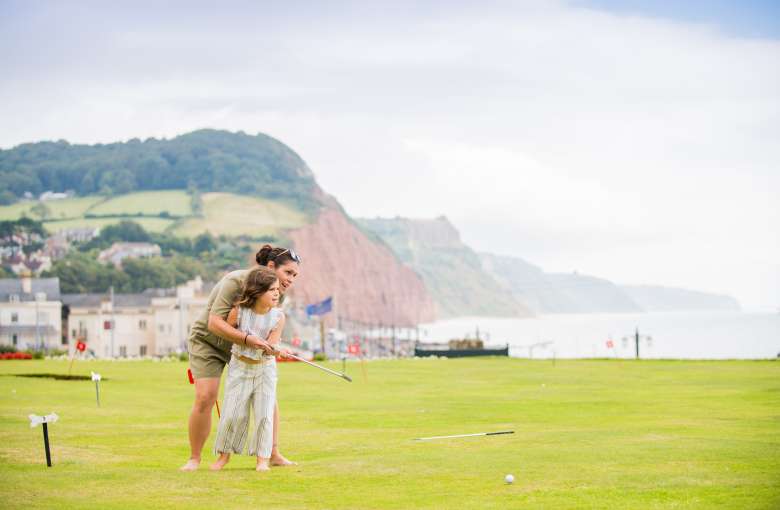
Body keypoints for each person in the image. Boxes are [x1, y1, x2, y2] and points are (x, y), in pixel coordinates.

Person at [180, 245, 301, 472]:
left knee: (268, 397)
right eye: (288, 273)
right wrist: (247, 339)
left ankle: (272, 453)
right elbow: (215, 323)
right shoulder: (235, 282)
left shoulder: (277, 295)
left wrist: (274, 348)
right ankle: (194, 459)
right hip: (210, 342)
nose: (291, 280)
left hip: (246, 351)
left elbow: (271, 327)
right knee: (206, 396)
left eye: (295, 275)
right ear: (271, 266)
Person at [210, 266, 285, 472]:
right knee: (232, 414)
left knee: (264, 415)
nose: (277, 293)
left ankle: (262, 459)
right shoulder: (238, 312)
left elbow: (271, 345)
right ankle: (223, 457)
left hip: (265, 371)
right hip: (240, 368)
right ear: (257, 291)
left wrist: (275, 350)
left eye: (277, 289)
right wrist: (248, 340)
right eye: (271, 290)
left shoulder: (278, 317)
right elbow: (228, 333)